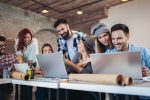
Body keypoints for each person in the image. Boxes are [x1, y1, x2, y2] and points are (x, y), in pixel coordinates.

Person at [107, 24, 150, 100]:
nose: (116, 42)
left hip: (141, 94)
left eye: (119, 38)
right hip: (119, 95)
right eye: (113, 39)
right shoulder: (108, 54)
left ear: (127, 37)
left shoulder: (142, 51)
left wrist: (148, 73)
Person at [67, 36, 100, 100]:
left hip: (90, 90)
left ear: (85, 45)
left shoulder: (93, 58)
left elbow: (87, 74)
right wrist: (81, 63)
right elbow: (69, 71)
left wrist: (70, 64)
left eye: (80, 43)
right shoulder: (78, 55)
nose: (78, 44)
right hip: (77, 87)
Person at [91, 22, 114, 100]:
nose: (103, 39)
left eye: (105, 35)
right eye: (100, 37)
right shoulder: (103, 51)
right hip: (110, 83)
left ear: (109, 34)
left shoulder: (117, 47)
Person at [15, 28, 37, 100]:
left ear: (31, 37)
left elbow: (30, 60)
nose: (27, 39)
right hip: (21, 64)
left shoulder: (33, 44)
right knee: (22, 84)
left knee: (29, 83)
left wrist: (28, 71)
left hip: (31, 64)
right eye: (24, 37)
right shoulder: (18, 42)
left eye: (28, 37)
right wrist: (22, 67)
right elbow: (19, 56)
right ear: (21, 38)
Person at [0, 35, 17, 100]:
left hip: (5, 86)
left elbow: (20, 66)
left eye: (4, 45)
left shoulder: (10, 57)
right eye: (0, 46)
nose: (3, 47)